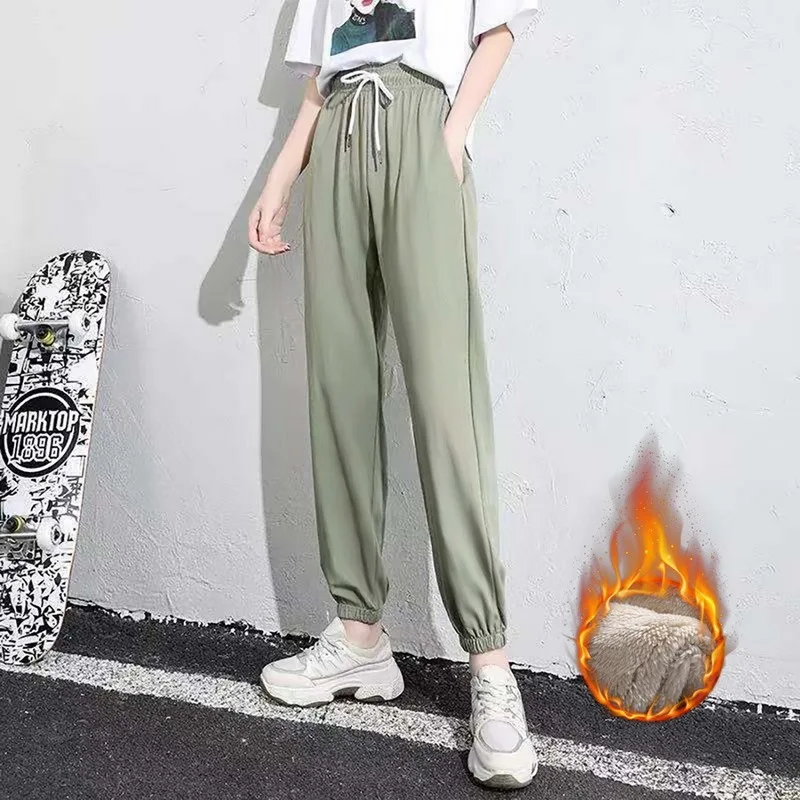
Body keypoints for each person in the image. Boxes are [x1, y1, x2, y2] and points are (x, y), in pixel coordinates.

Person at [249, 0, 539, 789]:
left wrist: (450, 138)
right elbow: (321, 78)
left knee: (448, 407)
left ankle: (490, 665)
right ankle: (360, 637)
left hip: (421, 126)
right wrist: (280, 177)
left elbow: (498, 32)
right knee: (339, 393)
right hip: (340, 138)